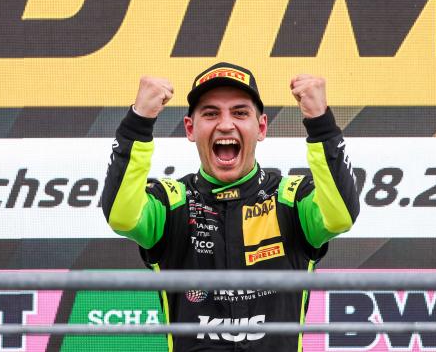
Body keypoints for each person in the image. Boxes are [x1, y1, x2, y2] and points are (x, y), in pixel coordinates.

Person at [102, 62, 360, 351]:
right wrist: (138, 122)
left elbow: (340, 216)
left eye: (240, 113)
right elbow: (122, 217)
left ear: (261, 127)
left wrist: (321, 124)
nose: (225, 124)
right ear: (190, 128)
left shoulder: (291, 197)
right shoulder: (171, 201)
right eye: (211, 113)